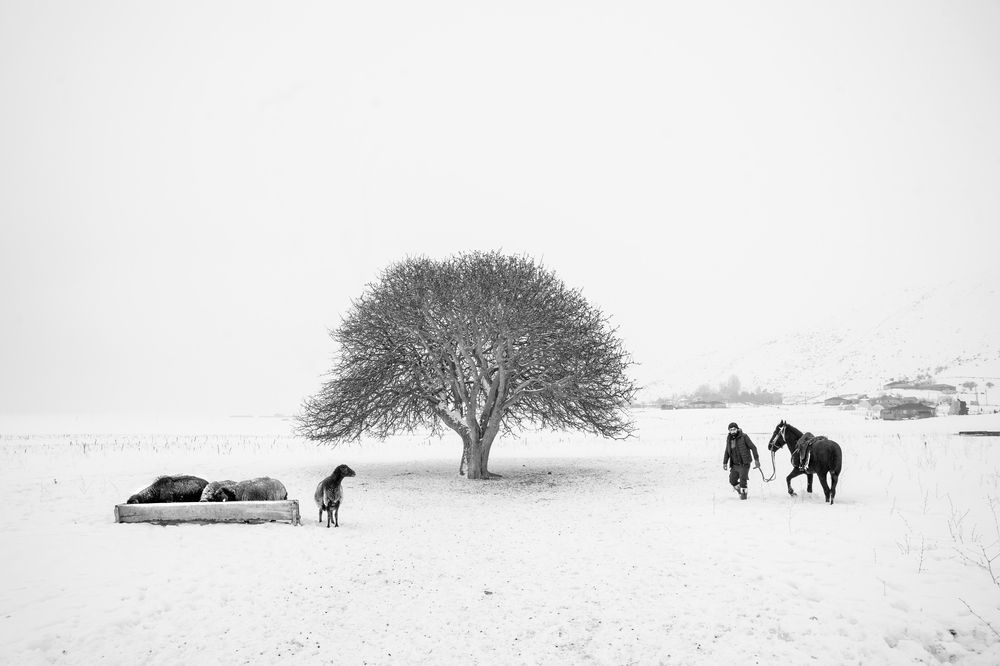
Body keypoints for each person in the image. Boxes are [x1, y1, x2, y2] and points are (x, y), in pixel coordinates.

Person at [723, 421, 760, 500]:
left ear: (737, 429)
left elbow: (753, 447)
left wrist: (756, 460)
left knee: (743, 481)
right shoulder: (729, 439)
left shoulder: (744, 437)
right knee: (732, 480)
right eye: (731, 430)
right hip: (735, 464)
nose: (733, 431)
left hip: (744, 463)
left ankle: (743, 498)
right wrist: (725, 462)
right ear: (729, 431)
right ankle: (740, 491)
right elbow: (727, 451)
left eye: (734, 429)